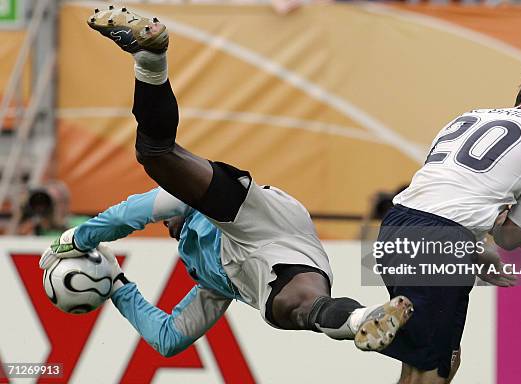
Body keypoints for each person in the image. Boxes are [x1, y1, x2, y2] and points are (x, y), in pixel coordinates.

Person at [38, 6, 412, 358]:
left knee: (156, 155)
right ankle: (362, 319)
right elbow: (168, 339)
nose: (165, 227)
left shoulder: (186, 206)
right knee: (298, 310)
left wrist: (74, 238)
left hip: (247, 219)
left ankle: (151, 58)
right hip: (275, 263)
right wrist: (117, 283)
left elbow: (135, 212)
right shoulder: (212, 284)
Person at [374, 59, 521, 384]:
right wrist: (494, 234)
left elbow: (443, 194)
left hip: (395, 226)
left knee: (437, 360)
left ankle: (380, 317)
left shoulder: (470, 115)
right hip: (442, 240)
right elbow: (512, 237)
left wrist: (474, 246)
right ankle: (356, 319)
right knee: (431, 371)